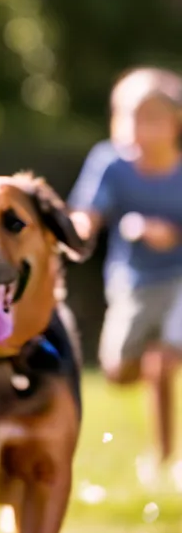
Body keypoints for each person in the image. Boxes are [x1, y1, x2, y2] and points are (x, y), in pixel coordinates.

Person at [69, 67, 182, 485]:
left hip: (179, 280)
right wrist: (79, 229)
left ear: (174, 123)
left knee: (162, 360)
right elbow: (88, 209)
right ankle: (164, 455)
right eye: (126, 117)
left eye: (149, 119)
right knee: (118, 370)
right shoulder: (110, 163)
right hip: (132, 282)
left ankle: (166, 459)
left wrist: (171, 235)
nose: (136, 129)